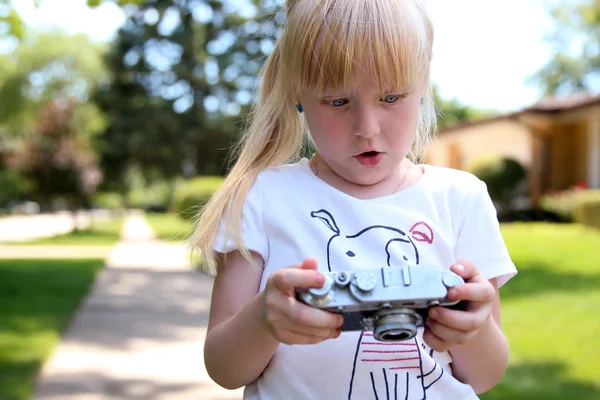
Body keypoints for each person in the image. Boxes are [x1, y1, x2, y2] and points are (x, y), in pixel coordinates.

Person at [191, 0, 518, 399]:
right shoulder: (262, 196)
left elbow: (486, 377)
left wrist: (473, 326)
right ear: (299, 96)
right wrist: (264, 318)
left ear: (422, 86)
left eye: (392, 97)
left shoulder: (461, 198)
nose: (366, 128)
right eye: (337, 101)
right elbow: (224, 369)